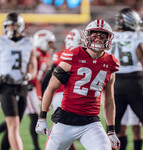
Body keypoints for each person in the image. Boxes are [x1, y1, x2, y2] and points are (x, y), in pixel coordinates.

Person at [35, 19, 120, 150]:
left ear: (108, 39)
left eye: (102, 35)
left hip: (91, 122)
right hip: (65, 121)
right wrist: (42, 117)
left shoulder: (110, 63)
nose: (98, 38)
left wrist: (111, 131)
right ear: (87, 36)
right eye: (95, 35)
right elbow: (51, 87)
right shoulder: (73, 55)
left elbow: (109, 101)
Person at [111, 8, 143, 150]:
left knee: (112, 131)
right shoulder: (138, 36)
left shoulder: (110, 37)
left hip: (115, 86)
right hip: (136, 84)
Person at [41, 28, 83, 150]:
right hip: (69, 97)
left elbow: (46, 80)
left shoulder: (60, 55)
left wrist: (43, 98)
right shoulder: (84, 57)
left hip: (60, 97)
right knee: (65, 131)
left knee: (65, 131)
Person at [0, 12, 37, 150]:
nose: (11, 28)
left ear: (20, 26)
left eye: (14, 25)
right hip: (6, 86)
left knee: (15, 124)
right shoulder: (1, 41)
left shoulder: (28, 42)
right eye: (8, 25)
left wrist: (29, 76)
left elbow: (33, 66)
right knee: (13, 125)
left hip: (22, 86)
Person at [117, 41, 143, 150]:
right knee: (121, 129)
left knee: (136, 128)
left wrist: (142, 87)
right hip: (125, 91)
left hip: (138, 94)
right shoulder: (129, 46)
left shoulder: (142, 43)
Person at [26, 29, 56, 150]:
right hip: (27, 88)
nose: (50, 45)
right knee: (32, 118)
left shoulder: (45, 55)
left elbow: (41, 79)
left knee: (13, 122)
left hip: (32, 89)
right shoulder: (35, 53)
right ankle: (36, 147)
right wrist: (41, 96)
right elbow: (35, 78)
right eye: (48, 42)